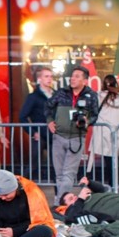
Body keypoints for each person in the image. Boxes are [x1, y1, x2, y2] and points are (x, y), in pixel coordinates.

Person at [47, 66, 99, 204]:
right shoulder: (61, 93)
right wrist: (50, 121)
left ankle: (60, 204)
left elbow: (95, 115)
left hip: (77, 138)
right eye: (72, 75)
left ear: (85, 81)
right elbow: (48, 107)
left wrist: (87, 122)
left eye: (77, 76)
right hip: (58, 137)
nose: (73, 78)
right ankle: (62, 204)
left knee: (68, 174)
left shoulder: (91, 95)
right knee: (59, 174)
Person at [0, 169, 55, 237]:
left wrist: (14, 232)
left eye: (6, 195)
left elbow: (38, 221)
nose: (3, 198)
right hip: (5, 235)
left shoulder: (31, 192)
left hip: (25, 231)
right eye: (0, 195)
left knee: (45, 230)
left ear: (15, 189)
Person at [19, 67, 55, 181]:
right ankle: (21, 189)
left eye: (51, 76)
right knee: (33, 164)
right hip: (40, 135)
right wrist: (33, 132)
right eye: (46, 76)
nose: (49, 79)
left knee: (56, 165)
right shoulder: (33, 97)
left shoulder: (56, 95)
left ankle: (58, 194)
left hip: (54, 134)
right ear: (40, 79)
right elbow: (22, 116)